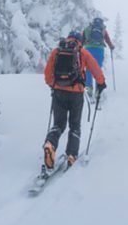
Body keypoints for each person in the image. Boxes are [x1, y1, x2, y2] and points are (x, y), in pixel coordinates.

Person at [43, 30, 106, 170]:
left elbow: (47, 74)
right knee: (74, 125)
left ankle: (50, 143)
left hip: (58, 92)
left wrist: (53, 85)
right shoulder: (82, 52)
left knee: (58, 124)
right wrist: (101, 83)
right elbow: (95, 68)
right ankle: (71, 155)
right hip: (76, 94)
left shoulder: (57, 51)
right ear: (79, 40)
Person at [82, 17, 114, 100]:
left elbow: (82, 39)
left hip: (88, 50)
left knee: (88, 69)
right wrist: (111, 46)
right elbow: (107, 39)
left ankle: (88, 87)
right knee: (97, 69)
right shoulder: (103, 29)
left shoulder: (88, 29)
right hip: (99, 50)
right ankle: (98, 88)